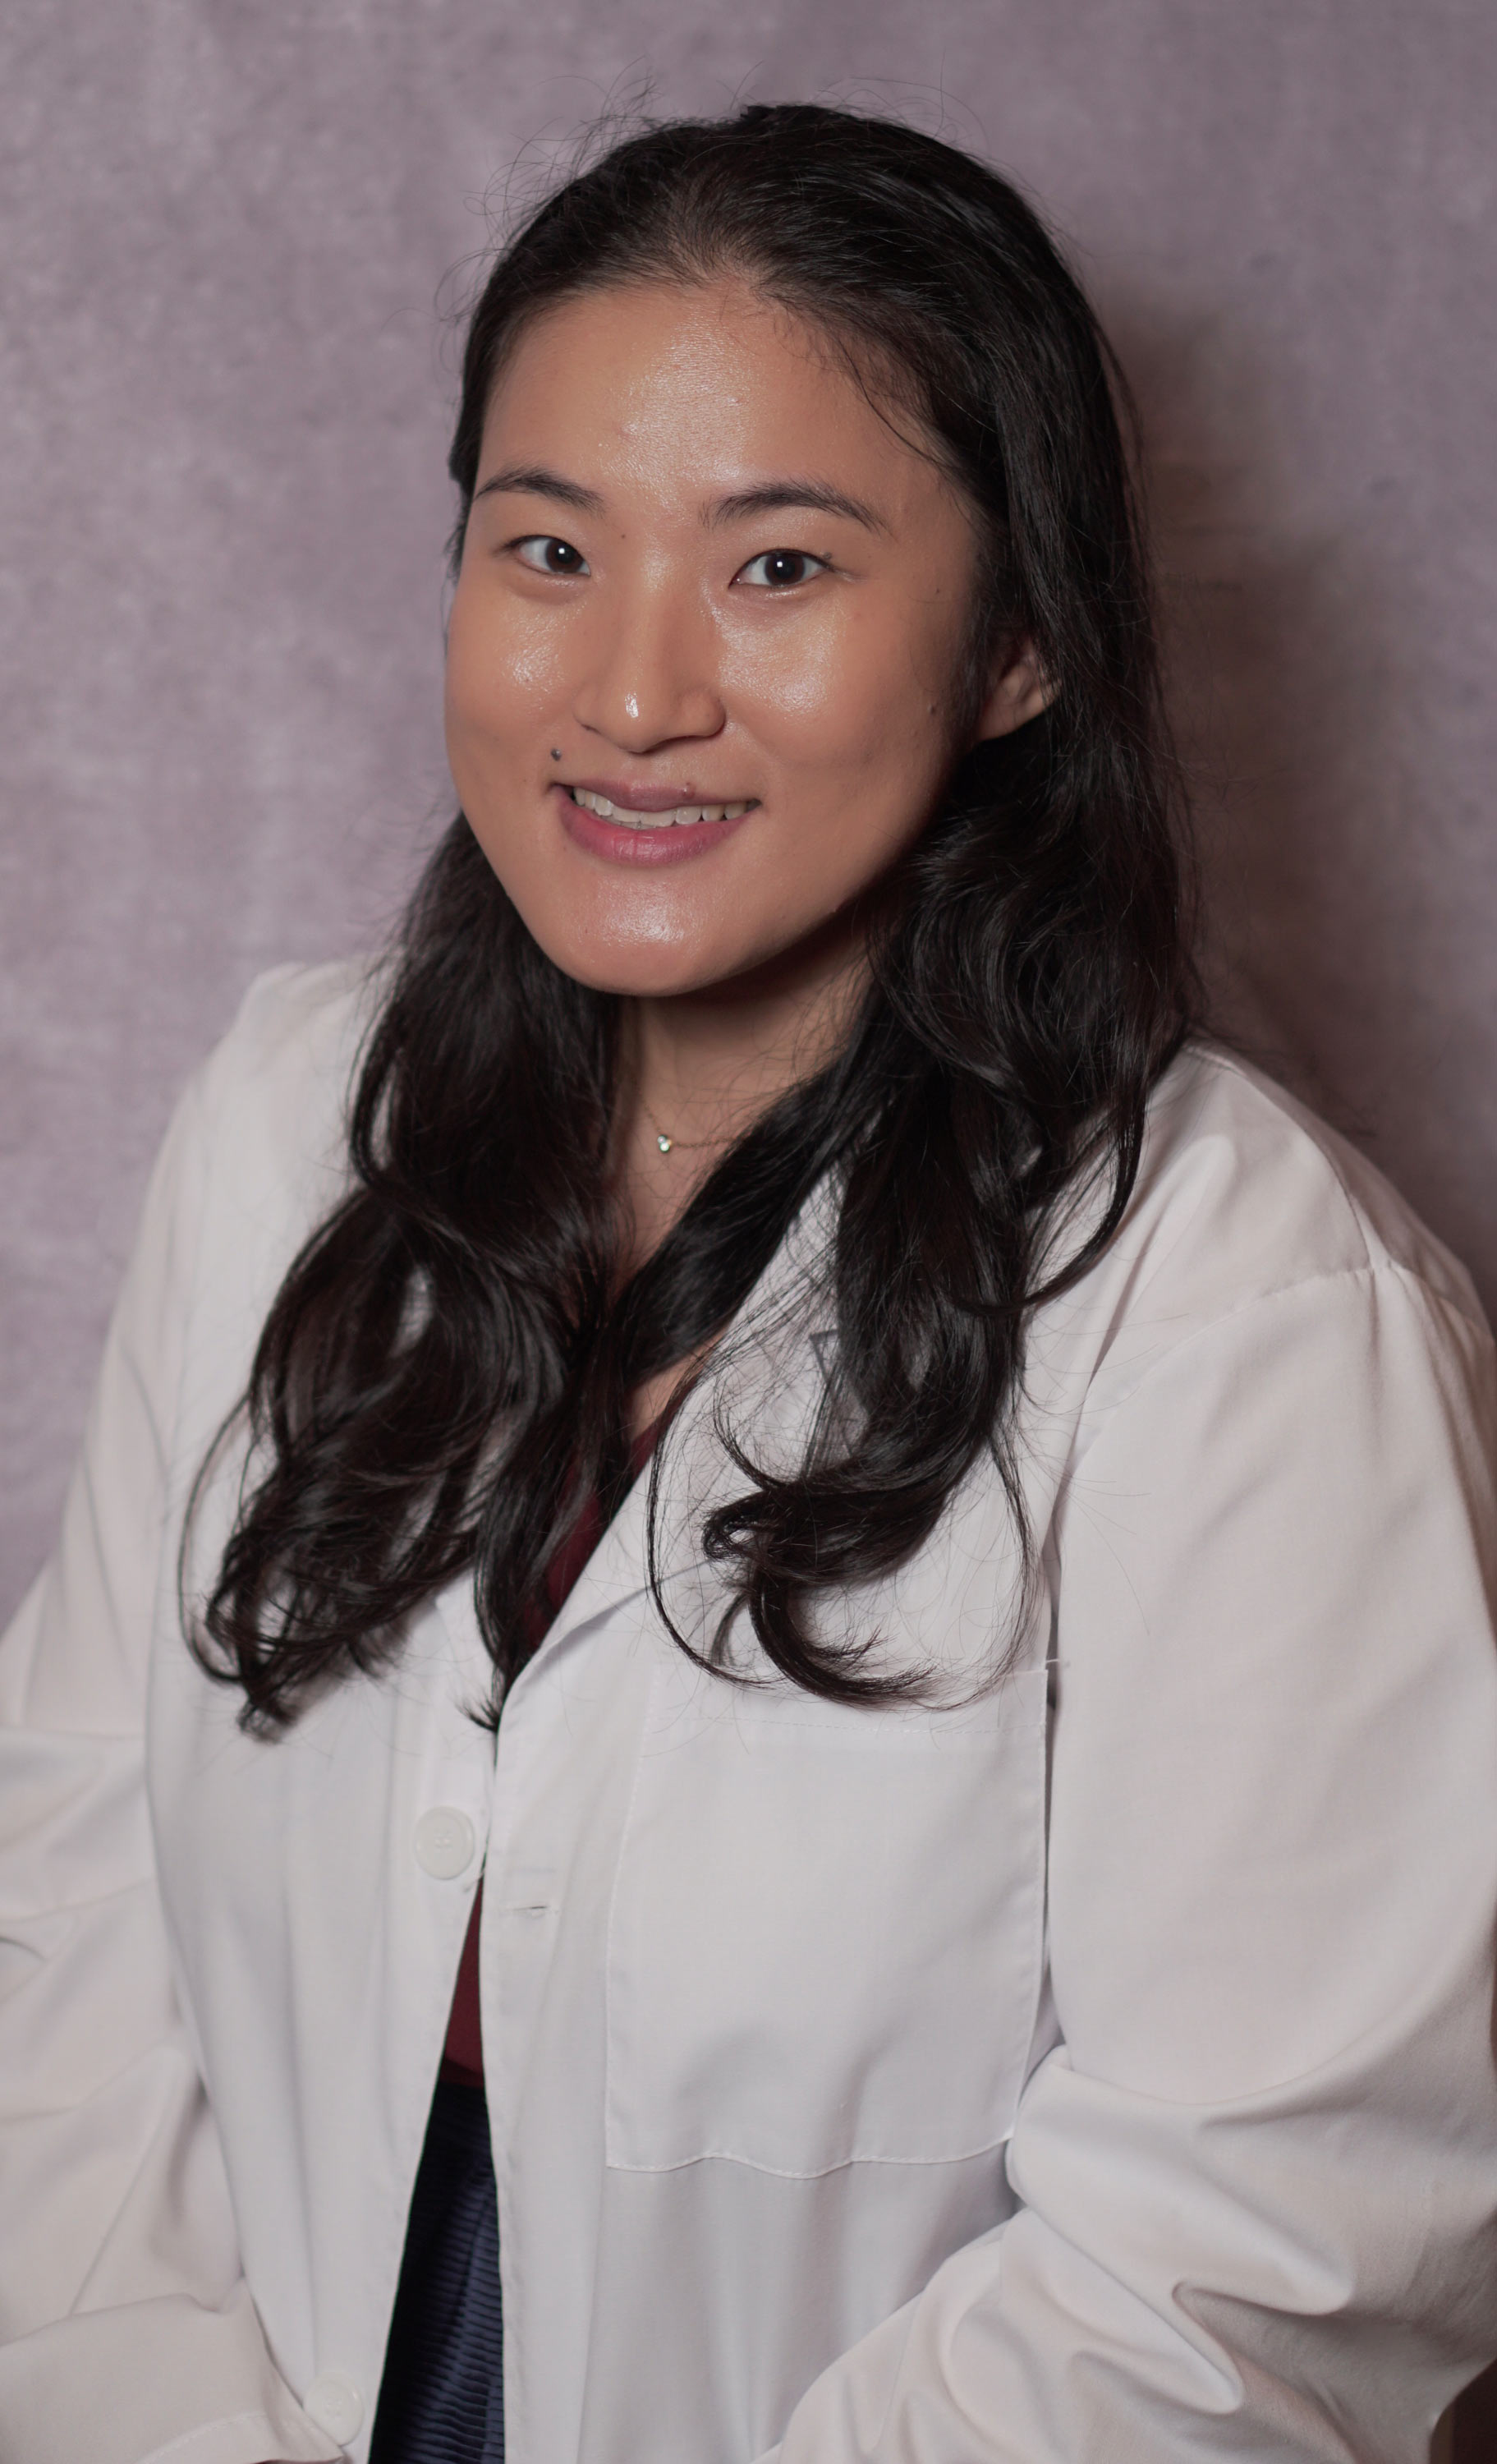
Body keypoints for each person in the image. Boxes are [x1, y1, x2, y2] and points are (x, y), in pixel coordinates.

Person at [1, 98, 1495, 2464]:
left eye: (779, 568)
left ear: (1014, 645)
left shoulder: (1251, 1312)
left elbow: (1255, 2264)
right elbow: (57, 1918)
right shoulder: (288, 1124)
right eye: (548, 546)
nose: (629, 691)